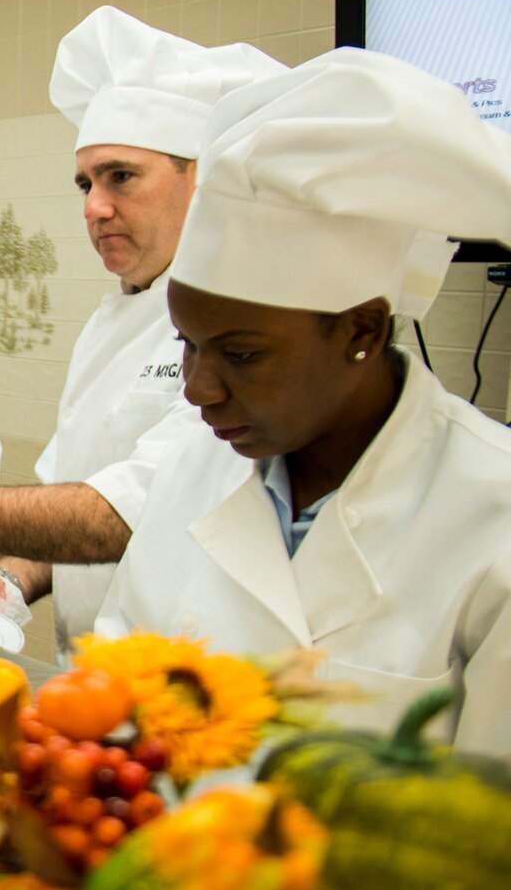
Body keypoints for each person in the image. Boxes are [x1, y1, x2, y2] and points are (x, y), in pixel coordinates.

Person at [0, 8, 284, 644]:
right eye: (85, 182)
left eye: (121, 176)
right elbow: (73, 495)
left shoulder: (257, 333)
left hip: (194, 680)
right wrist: (11, 581)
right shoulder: (112, 322)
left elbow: (128, 508)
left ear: (201, 177)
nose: (94, 207)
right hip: (94, 679)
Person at [98, 48, 511, 751]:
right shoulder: (196, 468)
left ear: (360, 330)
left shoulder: (490, 510)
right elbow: (121, 679)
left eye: (242, 353)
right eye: (188, 345)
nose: (198, 388)